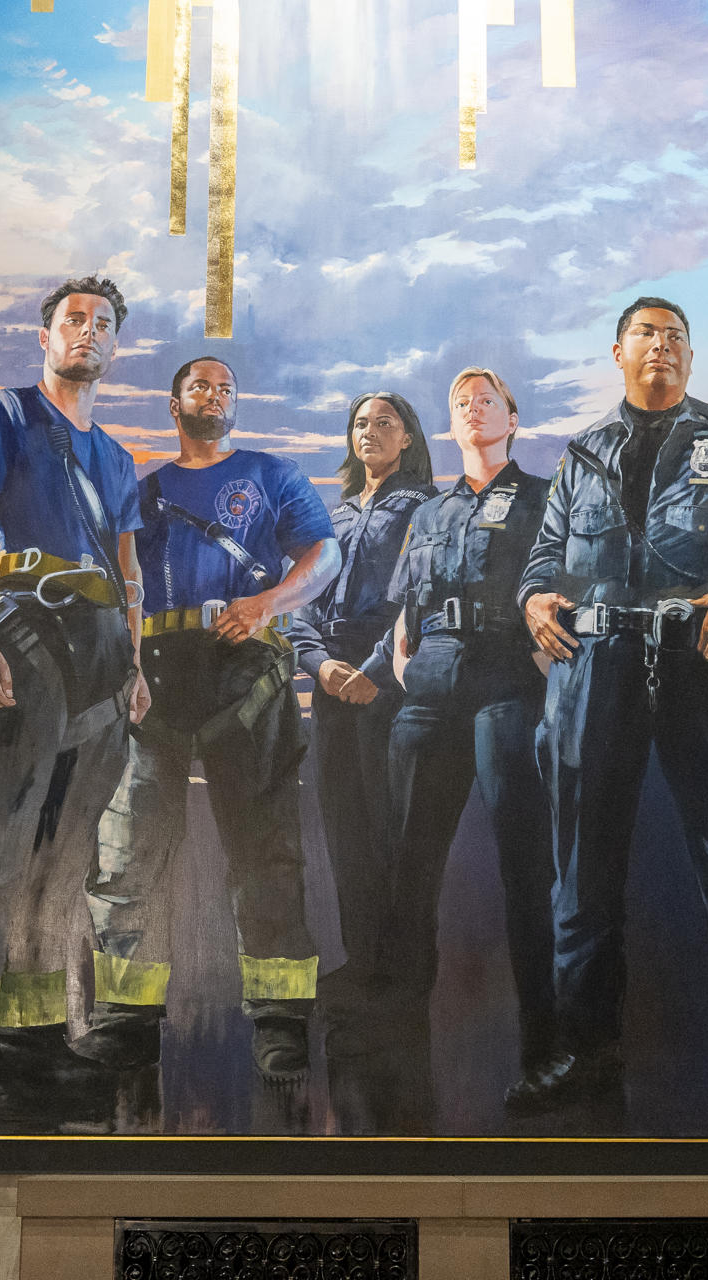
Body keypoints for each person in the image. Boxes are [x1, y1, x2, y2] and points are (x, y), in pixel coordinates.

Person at [518, 296, 708, 1118]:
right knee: (580, 876)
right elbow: (546, 554)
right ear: (616, 352)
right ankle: (583, 1057)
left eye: (677, 336)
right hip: (593, 669)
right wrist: (532, 601)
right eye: (648, 335)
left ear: (691, 357)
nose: (664, 345)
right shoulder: (582, 452)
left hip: (704, 659)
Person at [0, 276, 151, 1124]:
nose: (87, 331)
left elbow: (129, 572)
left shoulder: (117, 458)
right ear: (45, 338)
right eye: (73, 320)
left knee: (63, 858)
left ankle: (34, 1038)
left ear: (114, 348)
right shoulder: (3, 416)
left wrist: (138, 665)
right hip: (20, 635)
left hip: (101, 657)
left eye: (102, 323)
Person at [81, 356, 341, 1082]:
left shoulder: (271, 475)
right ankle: (125, 1024)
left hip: (245, 674)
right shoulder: (146, 492)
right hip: (156, 674)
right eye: (201, 385)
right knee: (127, 852)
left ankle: (281, 1022)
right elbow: (116, 582)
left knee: (266, 851)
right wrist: (123, 667)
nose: (215, 395)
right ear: (175, 404)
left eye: (226, 386)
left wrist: (267, 605)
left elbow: (324, 555)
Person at [372, 367, 557, 1129]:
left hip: (508, 679)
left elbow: (564, 582)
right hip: (432, 686)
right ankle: (394, 1042)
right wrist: (401, 656)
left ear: (511, 417)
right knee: (406, 867)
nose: (472, 408)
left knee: (525, 867)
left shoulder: (544, 498)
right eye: (460, 403)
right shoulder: (429, 511)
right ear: (448, 428)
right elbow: (405, 603)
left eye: (486, 399)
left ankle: (546, 1047)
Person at [287, 393, 438, 1128]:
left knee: (392, 830)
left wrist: (373, 670)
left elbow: (422, 596)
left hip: (391, 682)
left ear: (407, 437)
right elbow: (302, 606)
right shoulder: (335, 515)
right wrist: (319, 666)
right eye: (359, 424)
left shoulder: (427, 508)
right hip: (332, 683)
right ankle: (360, 963)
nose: (368, 432)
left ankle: (397, 977)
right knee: (345, 828)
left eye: (383, 422)